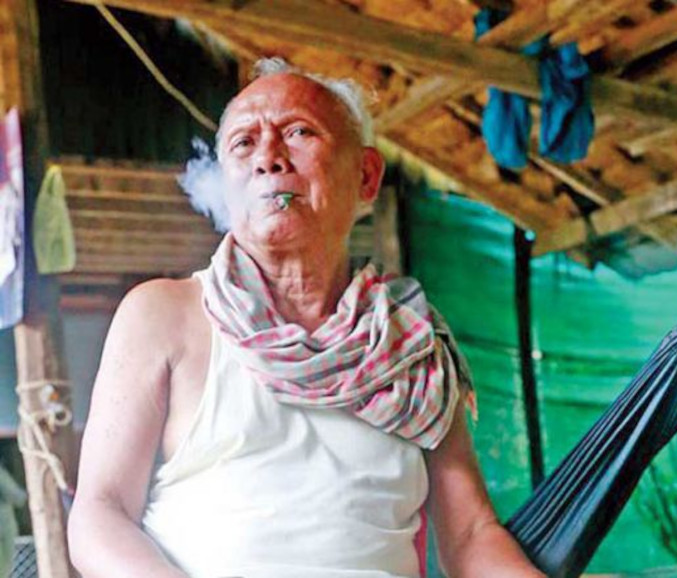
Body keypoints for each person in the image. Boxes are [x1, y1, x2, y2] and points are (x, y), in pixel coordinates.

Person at [67, 59, 543, 578]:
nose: (268, 158)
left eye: (297, 133)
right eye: (244, 144)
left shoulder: (411, 341)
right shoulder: (165, 314)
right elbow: (99, 515)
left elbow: (470, 535)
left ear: (365, 175)